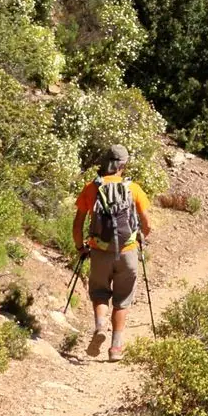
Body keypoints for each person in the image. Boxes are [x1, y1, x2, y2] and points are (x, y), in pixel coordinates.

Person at [72, 144, 153, 362]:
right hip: (127, 252)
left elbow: (77, 224)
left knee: (99, 293)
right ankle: (115, 348)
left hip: (99, 251)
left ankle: (100, 326)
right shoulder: (133, 189)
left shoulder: (91, 188)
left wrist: (81, 248)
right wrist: (140, 238)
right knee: (122, 299)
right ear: (123, 165)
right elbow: (147, 223)